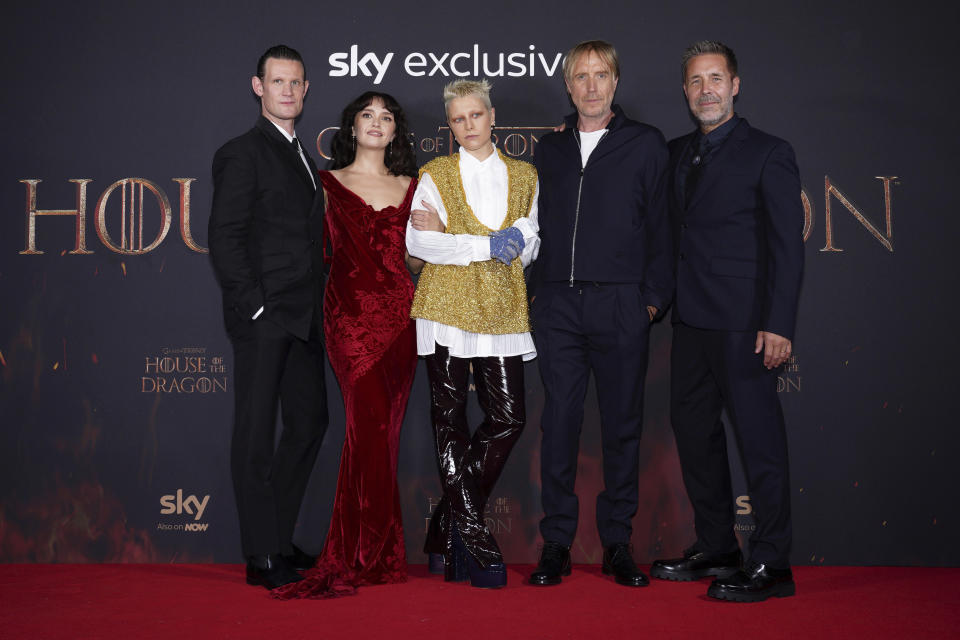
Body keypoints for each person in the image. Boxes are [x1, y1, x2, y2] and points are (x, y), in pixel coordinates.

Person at [649, 41, 804, 602]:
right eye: (695, 81)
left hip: (746, 325)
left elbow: (788, 248)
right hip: (689, 322)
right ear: (685, 91)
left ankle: (773, 562)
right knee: (695, 436)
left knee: (760, 443)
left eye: (715, 78)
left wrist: (778, 322)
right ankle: (717, 546)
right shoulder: (674, 153)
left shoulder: (769, 152)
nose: (705, 89)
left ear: (735, 85)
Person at [528, 40, 673, 588]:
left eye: (601, 75)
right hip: (559, 306)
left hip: (621, 304)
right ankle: (557, 544)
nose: (591, 86)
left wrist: (651, 301)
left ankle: (617, 543)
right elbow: (530, 227)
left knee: (621, 428)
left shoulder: (646, 145)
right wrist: (536, 293)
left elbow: (664, 228)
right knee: (559, 423)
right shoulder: (551, 149)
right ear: (568, 86)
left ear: (616, 83)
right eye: (581, 76)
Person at [275, 91, 420, 599]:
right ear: (351, 126)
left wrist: (430, 239)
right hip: (350, 324)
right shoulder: (327, 183)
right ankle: (363, 552)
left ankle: (375, 552)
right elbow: (308, 254)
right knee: (366, 428)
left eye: (386, 117)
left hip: (403, 322)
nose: (376, 123)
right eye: (367, 115)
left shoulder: (413, 186)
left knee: (385, 436)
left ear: (395, 130)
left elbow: (420, 263)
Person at [406, 78, 540, 589]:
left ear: (491, 115)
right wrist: (487, 246)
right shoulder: (434, 173)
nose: (468, 126)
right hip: (444, 309)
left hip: (503, 310)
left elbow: (529, 246)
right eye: (458, 119)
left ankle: (446, 528)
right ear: (450, 125)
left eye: (475, 116)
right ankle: (474, 535)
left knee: (508, 418)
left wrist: (471, 241)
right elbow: (422, 244)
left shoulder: (526, 175)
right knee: (449, 420)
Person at [208, 44, 327, 590]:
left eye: (296, 83)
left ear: (305, 89)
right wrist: (253, 304)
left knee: (309, 423)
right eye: (277, 81)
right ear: (258, 87)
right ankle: (260, 555)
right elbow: (225, 239)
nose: (287, 91)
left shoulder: (303, 154)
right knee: (256, 434)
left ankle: (276, 538)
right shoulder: (242, 152)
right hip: (265, 316)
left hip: (303, 316)